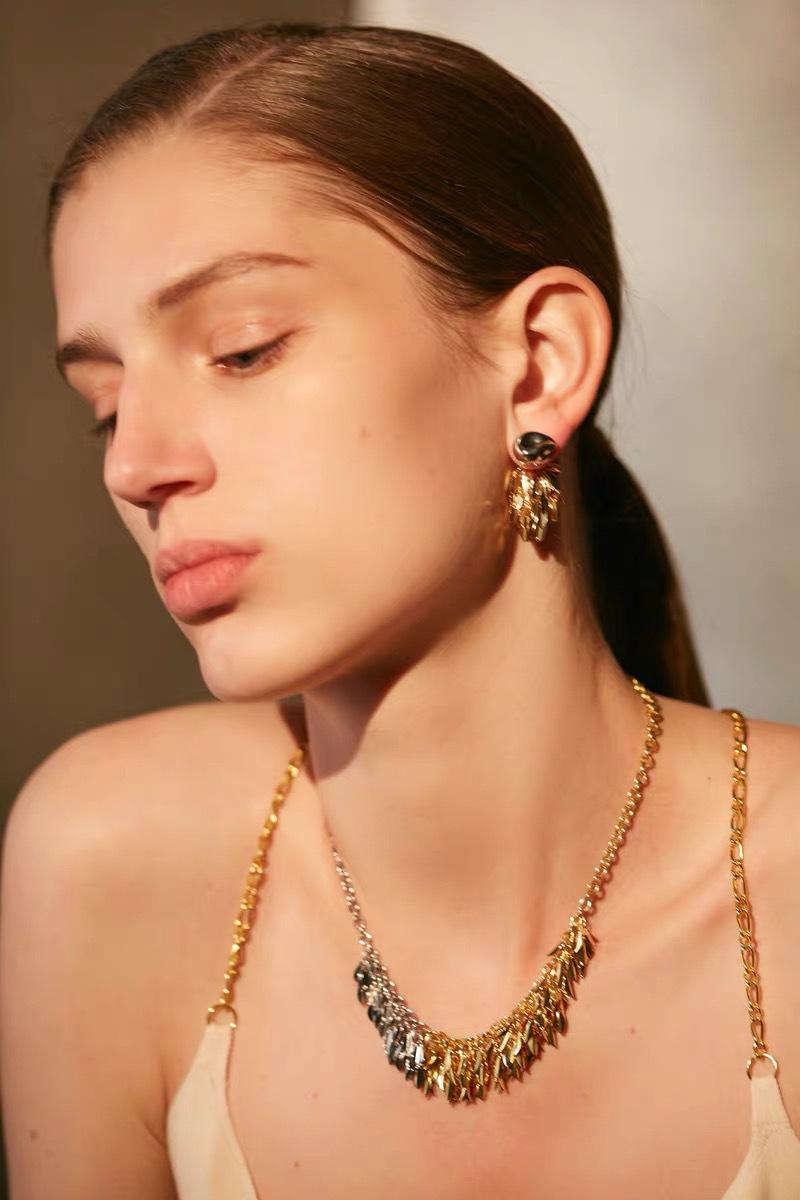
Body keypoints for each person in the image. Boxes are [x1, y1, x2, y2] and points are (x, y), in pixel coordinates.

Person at [1, 19, 798, 1200]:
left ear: (537, 363)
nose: (137, 465)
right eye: (107, 405)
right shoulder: (110, 862)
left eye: (242, 350)